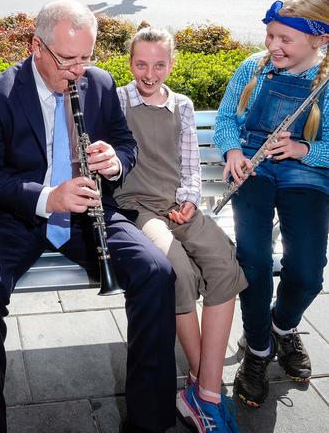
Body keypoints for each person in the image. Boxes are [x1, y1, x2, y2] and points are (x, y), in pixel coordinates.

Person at [0, 0, 176, 433]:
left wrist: (115, 161)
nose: (79, 70)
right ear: (36, 46)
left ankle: (149, 423)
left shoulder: (98, 82)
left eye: (87, 57)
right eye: (68, 59)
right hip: (12, 217)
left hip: (85, 211)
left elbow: (124, 142)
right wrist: (46, 197)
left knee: (157, 272)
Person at [115, 24, 247, 433]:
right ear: (130, 62)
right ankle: (207, 391)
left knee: (224, 265)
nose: (150, 74)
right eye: (140, 64)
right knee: (179, 272)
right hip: (140, 209)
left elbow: (190, 165)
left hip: (179, 206)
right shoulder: (118, 100)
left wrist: (190, 199)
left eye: (159, 64)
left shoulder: (183, 106)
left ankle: (201, 387)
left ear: (171, 64)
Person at [213, 0, 329, 408]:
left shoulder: (327, 81)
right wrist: (233, 151)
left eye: (285, 39)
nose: (273, 46)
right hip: (255, 168)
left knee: (308, 270)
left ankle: (283, 325)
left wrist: (307, 149)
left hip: (306, 173)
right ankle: (258, 350)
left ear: (320, 39)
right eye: (271, 35)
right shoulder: (253, 68)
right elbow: (227, 118)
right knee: (255, 259)